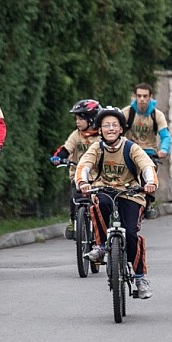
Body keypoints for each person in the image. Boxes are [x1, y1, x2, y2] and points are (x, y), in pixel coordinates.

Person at [75, 106, 158, 299]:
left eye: (115, 125)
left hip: (130, 193)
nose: (111, 128)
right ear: (100, 130)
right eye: (106, 125)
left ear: (121, 129)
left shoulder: (131, 147)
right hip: (105, 189)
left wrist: (151, 182)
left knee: (130, 233)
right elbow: (84, 165)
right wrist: (83, 182)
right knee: (99, 203)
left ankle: (139, 277)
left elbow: (146, 165)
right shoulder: (97, 148)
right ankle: (102, 246)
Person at [50, 99, 101, 239]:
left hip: (96, 176)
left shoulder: (101, 137)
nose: (77, 122)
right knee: (74, 197)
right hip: (78, 175)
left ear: (91, 119)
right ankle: (73, 220)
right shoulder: (76, 135)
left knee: (101, 200)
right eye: (76, 119)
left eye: (81, 118)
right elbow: (66, 149)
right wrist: (58, 158)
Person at [122, 83, 172, 219]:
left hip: (149, 152)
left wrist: (164, 150)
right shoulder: (127, 113)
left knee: (149, 176)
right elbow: (117, 131)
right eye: (139, 96)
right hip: (130, 150)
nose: (142, 99)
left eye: (145, 96)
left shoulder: (157, 115)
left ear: (151, 97)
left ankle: (148, 202)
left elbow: (165, 136)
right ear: (135, 97)